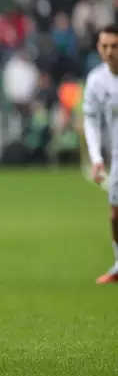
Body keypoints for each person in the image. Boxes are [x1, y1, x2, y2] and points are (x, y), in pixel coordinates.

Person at [83, 23, 118, 284]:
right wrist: (96, 158)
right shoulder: (96, 81)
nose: (109, 52)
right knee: (115, 216)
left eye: (114, 46)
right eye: (105, 46)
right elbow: (91, 120)